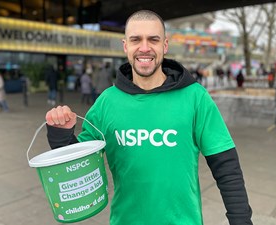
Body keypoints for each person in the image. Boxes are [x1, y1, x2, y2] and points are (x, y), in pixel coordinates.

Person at [45, 10, 252, 225]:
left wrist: (241, 221)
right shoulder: (106, 102)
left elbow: (227, 167)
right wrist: (61, 133)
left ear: (165, 45)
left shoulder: (195, 97)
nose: (145, 48)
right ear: (126, 46)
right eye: (136, 40)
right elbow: (77, 168)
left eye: (153, 39)